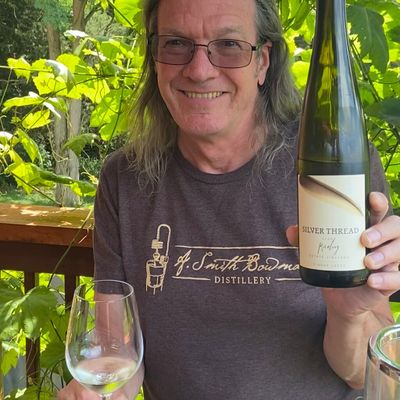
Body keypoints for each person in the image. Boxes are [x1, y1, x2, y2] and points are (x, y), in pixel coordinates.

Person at [58, 0, 400, 399]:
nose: (199, 70)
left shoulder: (333, 170)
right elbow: (118, 353)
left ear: (262, 62)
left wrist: (348, 316)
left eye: (229, 45)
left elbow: (365, 377)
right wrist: (99, 391)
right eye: (175, 43)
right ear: (154, 58)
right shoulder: (125, 179)